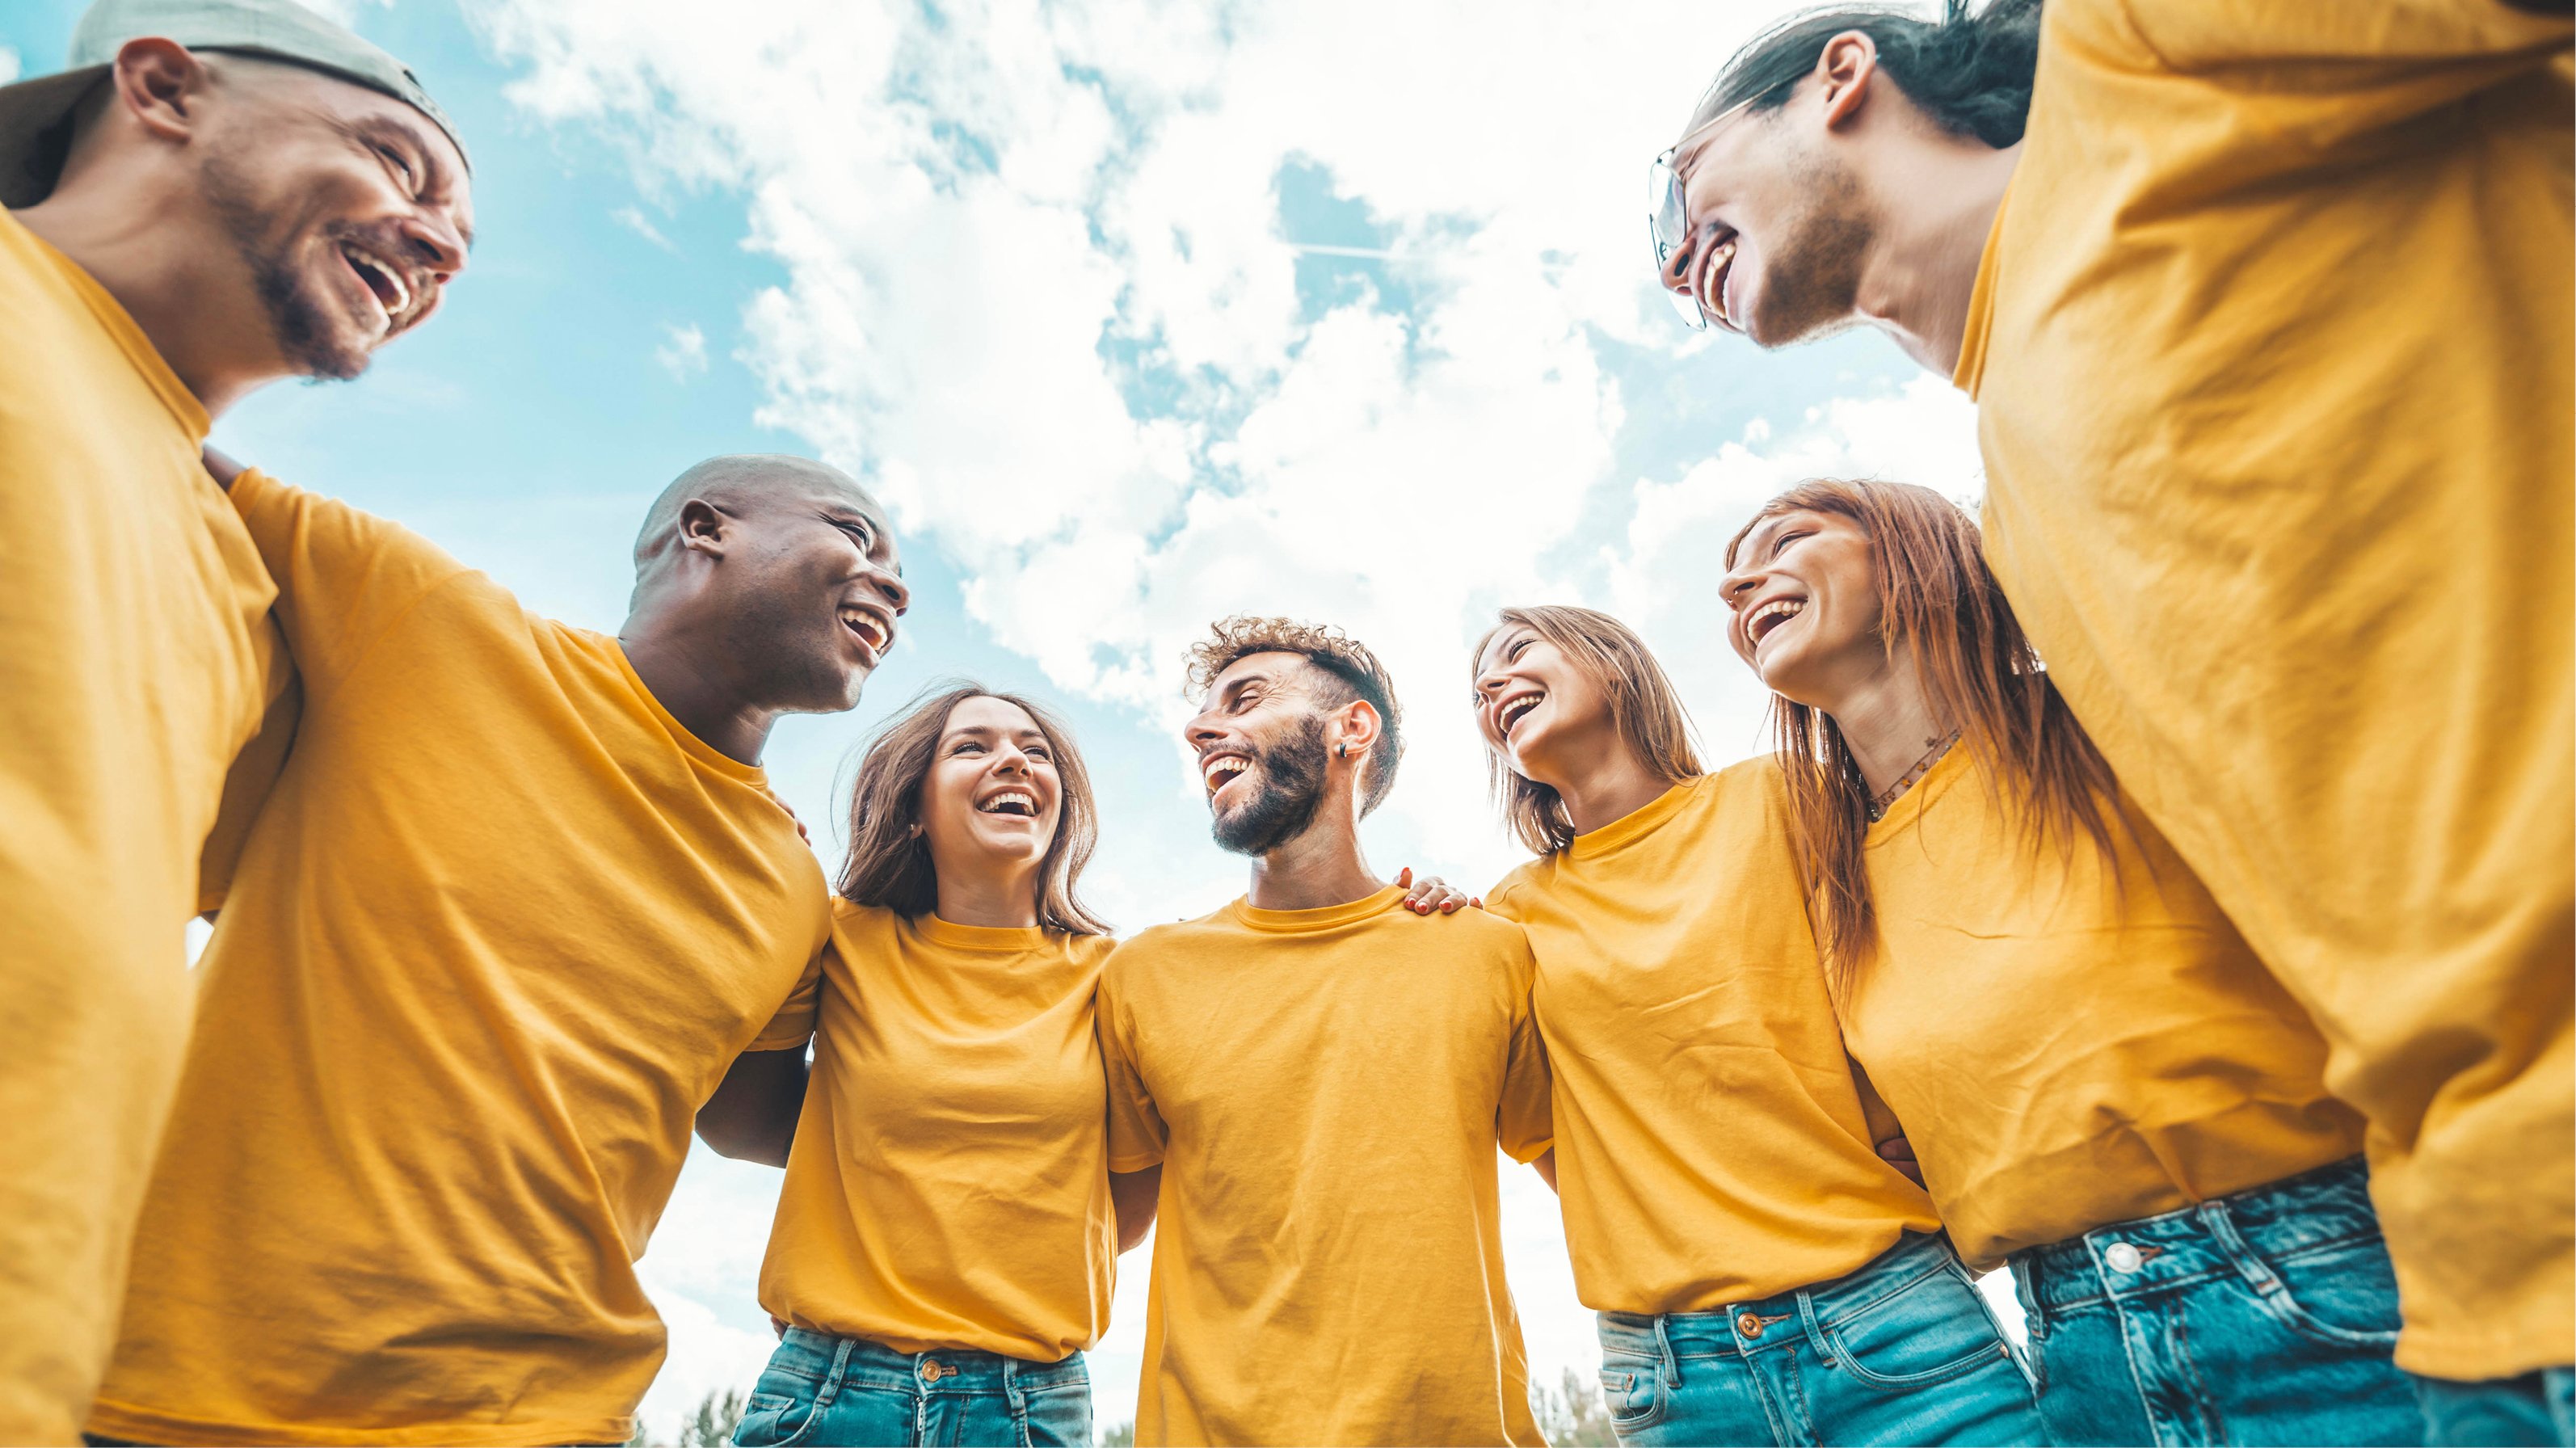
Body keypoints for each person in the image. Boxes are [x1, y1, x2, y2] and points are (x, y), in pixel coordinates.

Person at [1652, 1, 2573, 1433]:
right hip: (2478, 1262)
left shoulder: (2136, 59)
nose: (1667, 256)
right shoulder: (2015, 503)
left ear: (1842, 77)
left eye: (1678, 180)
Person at [83, 452, 903, 1447]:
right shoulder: (425, 621)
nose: (893, 583)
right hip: (179, 1391)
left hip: (543, 1418)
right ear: (706, 527)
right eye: (855, 535)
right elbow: (135, 422)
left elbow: (757, 1123)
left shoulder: (794, 888)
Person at [1718, 478, 2423, 1445]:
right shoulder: (1833, 883)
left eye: (1786, 537)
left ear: (1916, 550)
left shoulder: (2108, 717)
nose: (1735, 586)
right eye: (1727, 574)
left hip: (2323, 1276)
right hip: (2077, 1347)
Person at [0, 0, 469, 1435]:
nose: (438, 243)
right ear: (161, 87)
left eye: (455, 224)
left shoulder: (238, 591)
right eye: (395, 162)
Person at [1468, 603, 2033, 1447]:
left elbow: (1909, 974)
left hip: (1888, 1319)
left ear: (1611, 662)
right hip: (1674, 1377)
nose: (1489, 683)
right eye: (1477, 685)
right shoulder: (1508, 916)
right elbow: (1544, 1133)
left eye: (1516, 650)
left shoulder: (1781, 794)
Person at [1095, 617, 1551, 1445]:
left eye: (1246, 698)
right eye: (1202, 714)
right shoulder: (1142, 975)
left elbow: (1595, 1177)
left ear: (1351, 728)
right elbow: (1101, 1226)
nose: (1200, 729)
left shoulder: (1481, 949)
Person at [692, 683, 1153, 1446]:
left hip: (1030, 1411)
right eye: (972, 746)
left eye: (1035, 752)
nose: (1013, 761)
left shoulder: (1119, 981)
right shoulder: (834, 937)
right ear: (913, 808)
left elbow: (1123, 1215)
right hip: (829, 1397)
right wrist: (761, 867)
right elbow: (741, 1122)